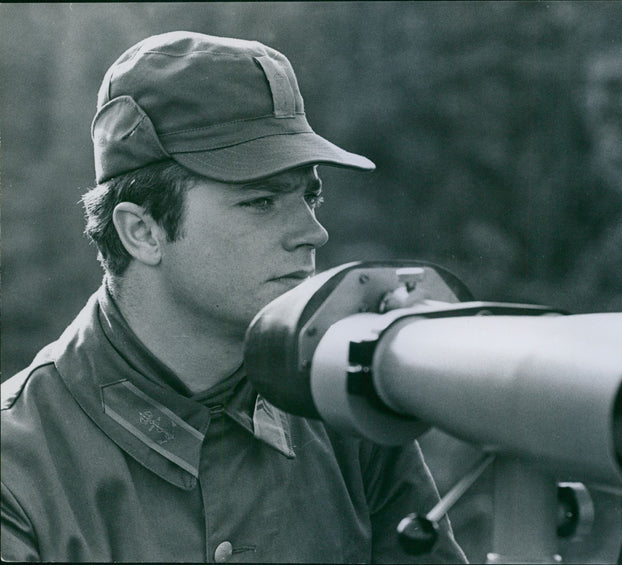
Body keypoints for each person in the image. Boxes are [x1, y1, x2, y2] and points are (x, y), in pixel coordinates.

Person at [1, 31, 467, 563]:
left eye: (310, 195)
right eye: (262, 201)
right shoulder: (17, 467)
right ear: (143, 232)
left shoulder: (347, 415)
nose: (312, 232)